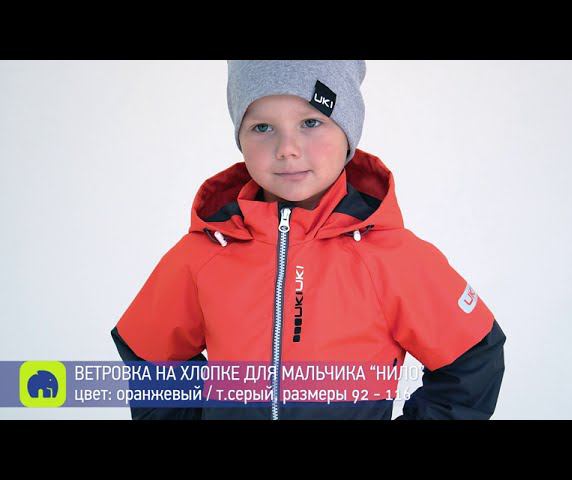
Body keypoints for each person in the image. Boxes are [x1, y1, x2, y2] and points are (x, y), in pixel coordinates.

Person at [111, 60, 506, 420]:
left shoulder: (390, 257)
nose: (287, 149)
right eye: (262, 127)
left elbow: (473, 358)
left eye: (311, 122)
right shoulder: (204, 254)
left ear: (347, 131)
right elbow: (149, 351)